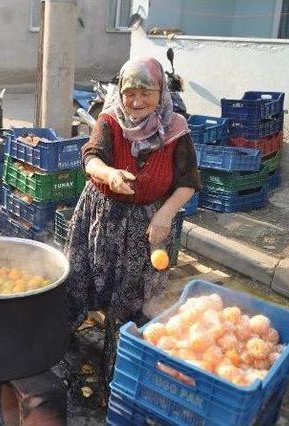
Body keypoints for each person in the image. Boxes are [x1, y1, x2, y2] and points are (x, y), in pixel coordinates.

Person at [64, 56, 201, 401]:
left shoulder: (176, 129)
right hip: (104, 216)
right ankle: (61, 351)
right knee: (79, 283)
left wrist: (165, 215)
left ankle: (118, 378)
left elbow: (188, 182)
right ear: (120, 94)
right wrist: (109, 174)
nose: (136, 102)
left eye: (146, 93)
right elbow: (91, 156)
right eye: (129, 93)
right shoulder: (109, 120)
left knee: (133, 302)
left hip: (150, 225)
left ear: (160, 92)